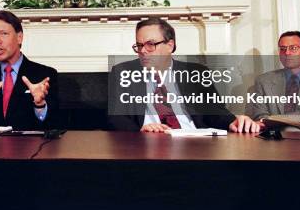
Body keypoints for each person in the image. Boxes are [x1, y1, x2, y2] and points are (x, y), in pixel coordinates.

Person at [108, 18, 260, 133]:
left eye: (150, 44)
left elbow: (215, 111)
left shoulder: (197, 72)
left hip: (193, 139)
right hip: (148, 141)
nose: (143, 51)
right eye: (139, 45)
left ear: (170, 45)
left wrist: (234, 121)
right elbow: (115, 117)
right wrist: (141, 130)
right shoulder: (123, 72)